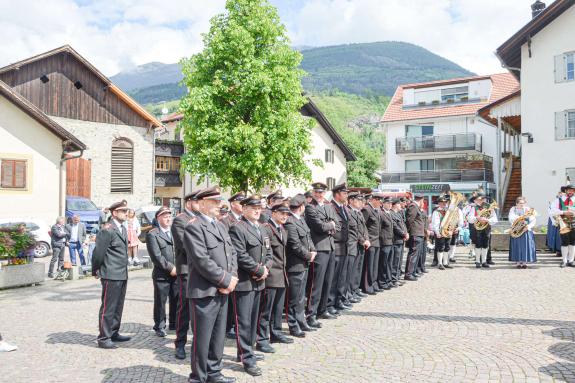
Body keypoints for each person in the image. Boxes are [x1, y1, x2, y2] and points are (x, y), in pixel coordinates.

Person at [183, 186, 238, 383]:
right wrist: (225, 280)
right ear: (202, 203)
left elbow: (232, 254)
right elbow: (201, 260)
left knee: (217, 337)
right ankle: (198, 377)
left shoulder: (220, 225)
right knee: (202, 339)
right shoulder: (193, 226)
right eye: (214, 202)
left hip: (222, 290)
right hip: (204, 291)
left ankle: (214, 373)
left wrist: (232, 278)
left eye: (219, 201)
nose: (219, 205)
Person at [229, 195, 273, 377]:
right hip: (245, 282)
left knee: (253, 320)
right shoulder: (238, 228)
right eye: (253, 208)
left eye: (259, 208)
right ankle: (247, 358)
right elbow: (239, 255)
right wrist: (258, 270)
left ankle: (244, 352)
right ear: (244, 209)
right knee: (244, 322)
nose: (257, 211)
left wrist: (266, 268)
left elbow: (269, 252)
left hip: (258, 283)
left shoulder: (262, 229)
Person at [92, 201, 131, 349]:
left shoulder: (122, 229)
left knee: (118, 306)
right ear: (114, 213)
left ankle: (113, 332)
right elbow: (98, 252)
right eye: (123, 211)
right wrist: (96, 270)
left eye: (127, 210)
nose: (126, 213)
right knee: (108, 307)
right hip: (110, 273)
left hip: (121, 273)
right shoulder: (107, 229)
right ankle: (103, 337)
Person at [257, 204, 293, 354]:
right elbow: (266, 252)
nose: (284, 216)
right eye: (281, 213)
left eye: (286, 214)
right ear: (273, 213)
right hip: (271, 274)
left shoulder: (282, 229)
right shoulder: (267, 228)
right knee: (266, 309)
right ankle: (262, 339)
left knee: (278, 308)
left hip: (281, 274)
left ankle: (276, 332)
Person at [171, 189, 201, 360]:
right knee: (184, 309)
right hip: (186, 270)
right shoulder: (180, 220)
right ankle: (180, 343)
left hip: (200, 270)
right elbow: (185, 245)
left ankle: (197, 342)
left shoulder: (198, 219)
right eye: (197, 201)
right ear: (189, 202)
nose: (199, 205)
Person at [305, 182, 338, 327]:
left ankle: (322, 309)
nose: (319, 195)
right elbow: (318, 227)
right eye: (316, 192)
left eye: (321, 192)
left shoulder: (329, 206)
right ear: (313, 193)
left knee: (327, 281)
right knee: (316, 283)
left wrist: (329, 225)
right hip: (319, 247)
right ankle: (311, 314)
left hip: (330, 247)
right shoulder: (310, 207)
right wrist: (330, 225)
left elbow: (338, 223)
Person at [284, 194, 316, 338]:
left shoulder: (301, 220)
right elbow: (294, 245)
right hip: (295, 265)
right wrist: (308, 255)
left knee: (301, 296)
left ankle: (301, 320)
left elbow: (308, 238)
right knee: (294, 297)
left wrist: (313, 250)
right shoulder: (290, 222)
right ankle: (293, 324)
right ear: (302, 207)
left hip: (304, 264)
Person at [146, 207, 178, 337]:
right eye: (165, 216)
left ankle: (174, 323)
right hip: (162, 274)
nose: (168, 218)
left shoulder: (175, 232)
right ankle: (159, 325)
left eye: (169, 216)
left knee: (176, 299)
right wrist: (171, 268)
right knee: (160, 301)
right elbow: (156, 256)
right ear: (158, 218)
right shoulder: (153, 234)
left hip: (177, 273)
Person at [347, 192, 369, 302]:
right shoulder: (349, 212)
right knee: (352, 270)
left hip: (360, 244)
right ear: (351, 200)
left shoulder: (358, 213)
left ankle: (355, 289)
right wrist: (363, 240)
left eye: (361, 200)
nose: (361, 202)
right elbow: (353, 230)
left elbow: (364, 228)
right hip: (353, 245)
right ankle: (350, 292)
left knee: (358, 269)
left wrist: (367, 239)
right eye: (358, 200)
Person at [466, 193, 498, 268]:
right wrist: (477, 218)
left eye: (482, 199)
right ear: (476, 200)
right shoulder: (473, 208)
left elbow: (495, 219)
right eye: (479, 200)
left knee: (485, 245)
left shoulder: (490, 208)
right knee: (478, 244)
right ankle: (477, 261)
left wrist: (487, 220)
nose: (481, 201)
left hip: (486, 228)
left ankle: (484, 261)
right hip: (476, 228)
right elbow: (469, 218)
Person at [361, 193, 382, 294]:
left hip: (377, 241)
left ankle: (373, 283)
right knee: (369, 265)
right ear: (373, 200)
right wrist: (366, 239)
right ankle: (367, 286)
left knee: (374, 265)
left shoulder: (376, 210)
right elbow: (363, 226)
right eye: (378, 200)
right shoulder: (367, 209)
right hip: (370, 241)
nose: (380, 203)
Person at [508, 197, 537, 268]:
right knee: (517, 246)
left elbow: (533, 220)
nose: (522, 205)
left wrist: (528, 226)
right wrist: (520, 218)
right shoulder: (513, 209)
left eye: (523, 203)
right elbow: (511, 218)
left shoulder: (528, 209)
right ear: (516, 203)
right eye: (520, 203)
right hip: (516, 230)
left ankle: (524, 262)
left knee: (525, 246)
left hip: (525, 230)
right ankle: (518, 262)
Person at [550, 184, 575, 267]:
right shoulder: (558, 200)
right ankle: (564, 260)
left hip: (574, 223)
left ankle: (571, 260)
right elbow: (552, 211)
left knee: (573, 243)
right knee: (565, 242)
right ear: (566, 191)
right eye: (569, 190)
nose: (571, 192)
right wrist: (564, 212)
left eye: (572, 190)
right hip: (563, 223)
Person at [404, 195, 426, 281]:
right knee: (413, 254)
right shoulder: (413, 206)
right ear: (421, 200)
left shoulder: (415, 206)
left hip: (418, 233)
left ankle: (412, 272)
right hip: (415, 233)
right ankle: (408, 274)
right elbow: (410, 220)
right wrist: (407, 232)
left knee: (415, 254)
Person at [390, 198, 408, 287]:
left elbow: (403, 225)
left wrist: (406, 233)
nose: (400, 205)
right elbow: (395, 227)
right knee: (395, 261)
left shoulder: (398, 214)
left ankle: (397, 277)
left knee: (399, 260)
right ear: (394, 205)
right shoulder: (391, 214)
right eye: (399, 204)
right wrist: (403, 234)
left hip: (401, 239)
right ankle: (393, 279)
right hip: (396, 240)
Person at [378, 197, 394, 290]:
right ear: (383, 204)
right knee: (383, 264)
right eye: (388, 203)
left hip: (390, 241)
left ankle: (388, 280)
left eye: (391, 203)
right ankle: (382, 282)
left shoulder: (389, 213)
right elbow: (379, 229)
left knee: (388, 263)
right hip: (384, 242)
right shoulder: (381, 213)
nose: (390, 205)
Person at [431, 196, 452, 270]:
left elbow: (451, 222)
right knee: (441, 247)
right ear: (439, 203)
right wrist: (437, 232)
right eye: (442, 202)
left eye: (445, 202)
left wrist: (451, 230)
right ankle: (440, 263)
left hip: (447, 232)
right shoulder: (436, 212)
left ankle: (445, 262)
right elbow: (435, 223)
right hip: (440, 232)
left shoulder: (448, 211)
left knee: (447, 247)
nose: (444, 204)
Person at [547, 192, 563, 257]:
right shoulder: (555, 202)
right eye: (560, 195)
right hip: (556, 219)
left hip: (565, 220)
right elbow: (550, 211)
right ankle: (558, 250)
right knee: (558, 236)